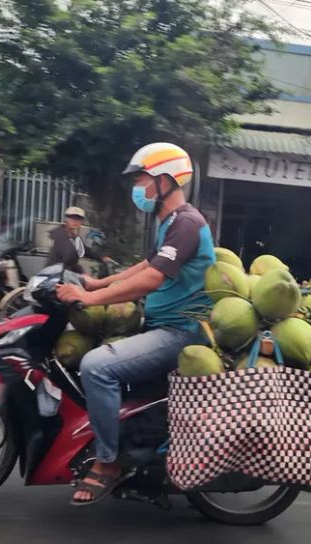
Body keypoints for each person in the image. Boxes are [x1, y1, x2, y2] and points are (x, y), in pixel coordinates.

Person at [56, 143, 215, 506]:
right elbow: (146, 265)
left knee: (96, 366)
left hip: (181, 331)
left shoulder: (187, 223)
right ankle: (132, 445)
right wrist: (98, 283)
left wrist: (91, 299)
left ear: (164, 182)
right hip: (162, 324)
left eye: (142, 180)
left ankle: (108, 463)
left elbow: (152, 279)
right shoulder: (171, 223)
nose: (138, 188)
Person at [46, 206, 111, 274]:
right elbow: (67, 258)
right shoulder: (59, 234)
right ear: (66, 219)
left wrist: (102, 257)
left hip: (66, 272)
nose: (75, 222)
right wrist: (80, 270)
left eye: (78, 219)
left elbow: (84, 250)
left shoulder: (74, 237)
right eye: (72, 218)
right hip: (56, 273)